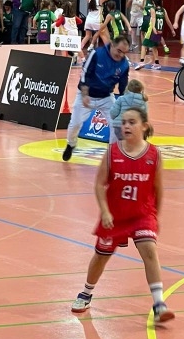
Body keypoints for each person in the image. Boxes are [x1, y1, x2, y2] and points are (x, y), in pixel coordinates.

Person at [71, 107, 175, 325]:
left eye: (132, 122)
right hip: (115, 216)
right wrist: (105, 211)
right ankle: (86, 293)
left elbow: (158, 189)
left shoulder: (154, 155)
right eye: (124, 122)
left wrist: (156, 217)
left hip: (142, 215)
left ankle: (159, 304)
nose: (126, 126)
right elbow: (99, 184)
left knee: (149, 251)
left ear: (144, 126)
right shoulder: (112, 153)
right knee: (101, 256)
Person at [62, 34, 130, 162]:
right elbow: (85, 74)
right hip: (86, 94)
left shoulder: (124, 64)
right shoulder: (97, 54)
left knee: (116, 125)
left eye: (124, 53)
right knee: (75, 123)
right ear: (112, 45)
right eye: (119, 51)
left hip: (106, 97)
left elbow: (123, 86)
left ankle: (113, 154)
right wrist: (85, 94)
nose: (121, 55)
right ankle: (71, 144)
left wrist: (124, 103)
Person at [134, 0, 175, 71]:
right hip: (159, 31)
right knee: (154, 47)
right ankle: (157, 63)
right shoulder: (163, 10)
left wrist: (153, 28)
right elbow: (168, 21)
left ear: (153, 2)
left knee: (144, 45)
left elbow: (153, 19)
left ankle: (141, 62)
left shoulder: (153, 9)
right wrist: (172, 30)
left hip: (152, 31)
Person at [109, 78, 147, 143]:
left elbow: (113, 113)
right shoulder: (143, 101)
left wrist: (117, 120)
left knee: (121, 144)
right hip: (135, 128)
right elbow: (144, 117)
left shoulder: (121, 99)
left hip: (119, 126)